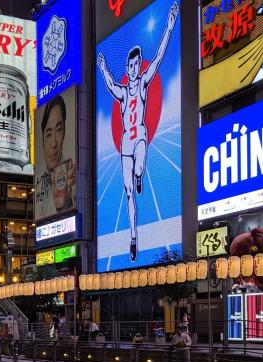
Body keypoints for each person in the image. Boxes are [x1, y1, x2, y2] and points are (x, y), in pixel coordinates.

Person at [96, 2, 179, 262]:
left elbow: (159, 58)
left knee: (140, 167)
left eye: (135, 65)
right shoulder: (122, 92)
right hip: (125, 144)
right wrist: (102, 67)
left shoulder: (143, 83)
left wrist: (169, 25)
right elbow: (109, 84)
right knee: (129, 192)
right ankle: (133, 237)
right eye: (130, 66)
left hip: (140, 135)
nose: (133, 69)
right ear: (127, 68)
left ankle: (140, 174)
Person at [36, 94, 76, 216]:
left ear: (64, 133)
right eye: (48, 134)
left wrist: (65, 206)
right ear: (42, 139)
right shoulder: (38, 179)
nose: (53, 144)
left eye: (58, 130)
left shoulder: (72, 178)